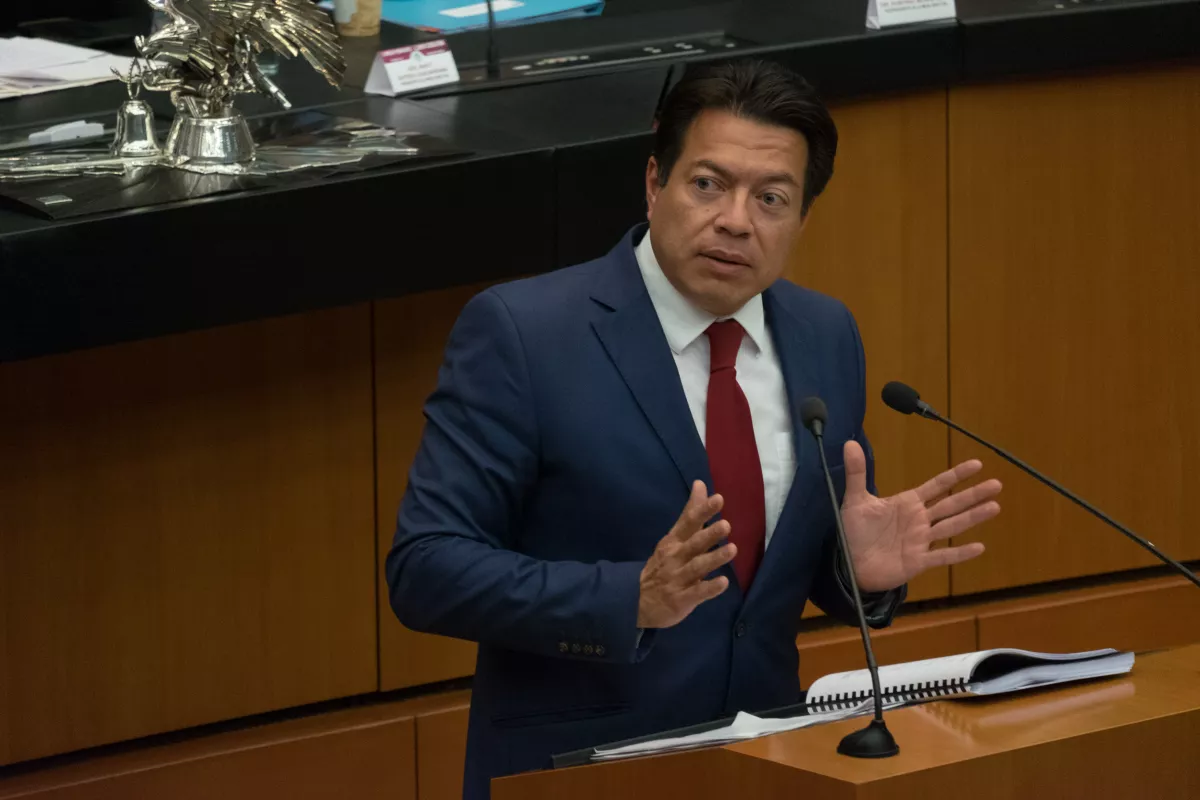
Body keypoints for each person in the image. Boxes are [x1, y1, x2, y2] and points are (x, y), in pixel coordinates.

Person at [386, 59, 1002, 799]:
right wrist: (630, 599)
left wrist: (853, 574)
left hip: (769, 765)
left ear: (803, 219)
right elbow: (426, 569)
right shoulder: (526, 333)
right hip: (579, 772)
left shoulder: (824, 334)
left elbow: (777, 581)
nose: (737, 220)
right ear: (655, 183)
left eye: (771, 198)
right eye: (708, 184)